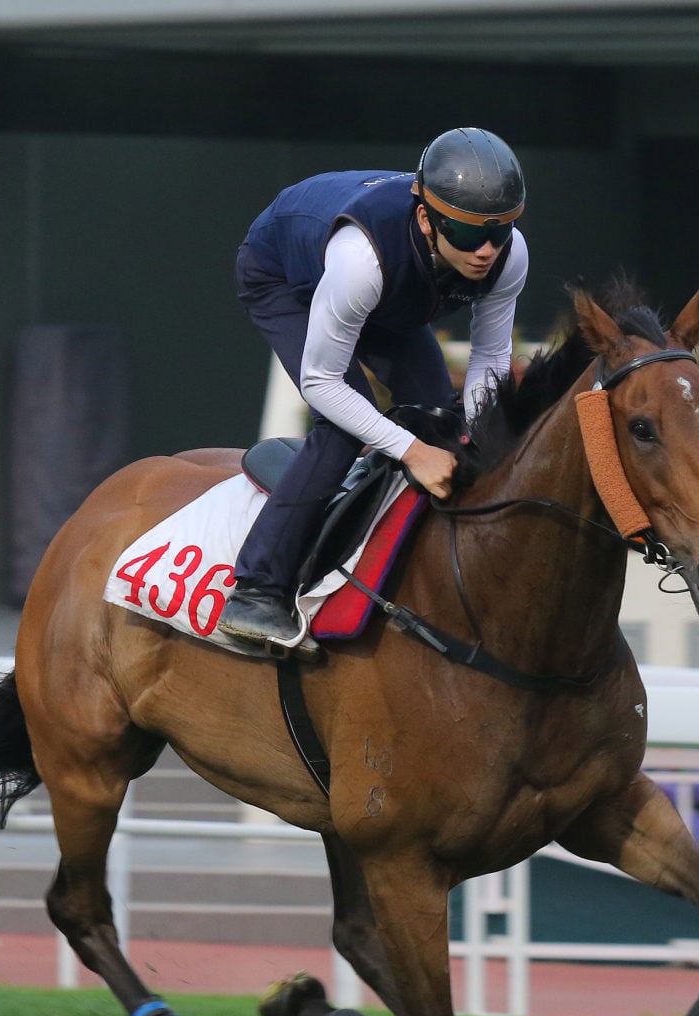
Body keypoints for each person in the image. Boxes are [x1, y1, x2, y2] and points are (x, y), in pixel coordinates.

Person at [216, 127, 529, 652]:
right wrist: (411, 450)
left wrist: (470, 439)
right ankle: (258, 592)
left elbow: (491, 358)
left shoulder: (508, 254)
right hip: (287, 275)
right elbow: (321, 383)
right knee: (343, 425)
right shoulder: (361, 260)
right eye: (470, 235)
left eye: (499, 234)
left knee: (441, 422)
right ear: (427, 218)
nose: (487, 252)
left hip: (393, 294)